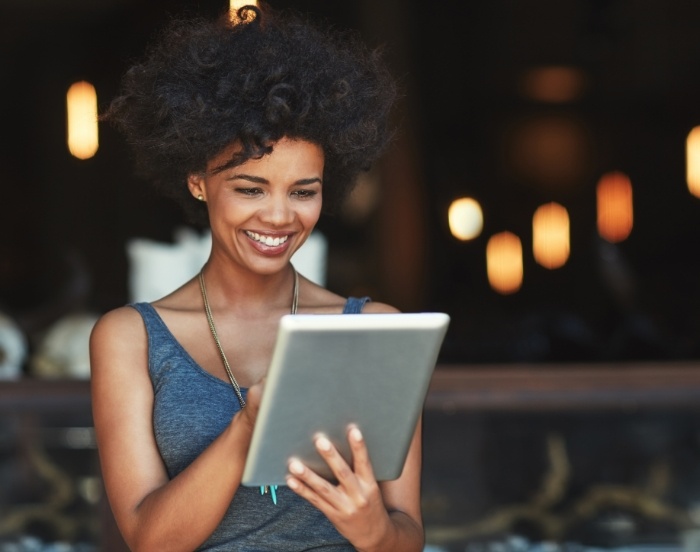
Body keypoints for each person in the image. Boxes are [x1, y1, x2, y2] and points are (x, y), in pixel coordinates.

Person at [89, 3, 424, 551]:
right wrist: (249, 428)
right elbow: (150, 541)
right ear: (198, 180)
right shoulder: (131, 338)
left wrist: (374, 531)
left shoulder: (371, 329)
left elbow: (407, 536)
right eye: (250, 188)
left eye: (303, 191)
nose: (278, 217)